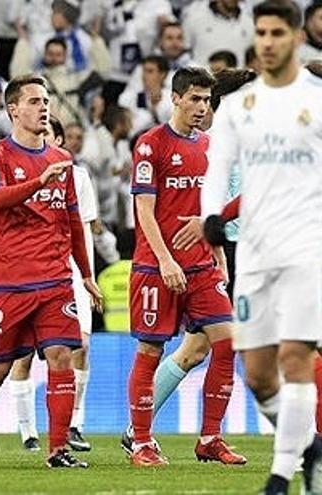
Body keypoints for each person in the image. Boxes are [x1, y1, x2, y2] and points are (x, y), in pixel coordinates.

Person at [0, 74, 101, 470]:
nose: (43, 107)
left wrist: (85, 275)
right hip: (8, 284)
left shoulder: (61, 161)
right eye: (34, 101)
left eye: (46, 100)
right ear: (13, 109)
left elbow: (72, 221)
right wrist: (37, 182)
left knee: (62, 356)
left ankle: (57, 450)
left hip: (55, 281)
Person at [201, 2, 322, 492]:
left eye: (276, 32)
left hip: (306, 250)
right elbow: (217, 167)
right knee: (258, 375)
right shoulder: (236, 106)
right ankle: (310, 445)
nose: (267, 42)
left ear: (295, 37)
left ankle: (279, 474)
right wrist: (211, 216)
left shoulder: (317, 99)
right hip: (253, 253)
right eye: (261, 33)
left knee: (295, 357)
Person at [120, 67, 259, 452]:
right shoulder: (150, 144)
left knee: (225, 342)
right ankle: (141, 440)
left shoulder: (207, 147)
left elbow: (205, 208)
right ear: (176, 97)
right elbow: (144, 212)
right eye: (195, 99)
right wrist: (166, 261)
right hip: (158, 266)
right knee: (153, 351)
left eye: (205, 100)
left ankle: (210, 437)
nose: (201, 107)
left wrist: (216, 254)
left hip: (202, 264)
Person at [7, 115, 99, 453]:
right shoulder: (21, 178)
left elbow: (85, 226)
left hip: (72, 273)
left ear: (58, 142)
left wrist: (87, 276)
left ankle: (75, 423)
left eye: (50, 136)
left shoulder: (78, 176)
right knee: (24, 355)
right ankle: (28, 431)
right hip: (30, 274)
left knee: (82, 347)